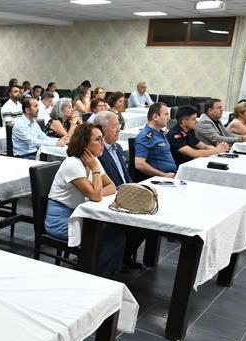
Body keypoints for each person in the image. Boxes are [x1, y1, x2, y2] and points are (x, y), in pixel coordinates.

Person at [46, 123, 123, 274]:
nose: (103, 143)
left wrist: (96, 190)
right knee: (106, 237)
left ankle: (106, 272)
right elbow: (95, 195)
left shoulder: (93, 160)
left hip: (80, 213)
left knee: (117, 233)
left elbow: (112, 186)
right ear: (84, 143)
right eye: (98, 140)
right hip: (61, 220)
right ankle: (94, 274)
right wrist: (95, 173)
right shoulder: (73, 164)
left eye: (102, 139)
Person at [94, 112, 146, 271]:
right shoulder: (98, 152)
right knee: (137, 225)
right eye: (114, 127)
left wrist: (134, 190)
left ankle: (124, 256)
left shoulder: (117, 148)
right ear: (101, 130)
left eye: (119, 126)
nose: (119, 130)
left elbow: (126, 176)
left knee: (146, 225)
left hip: (124, 194)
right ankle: (115, 260)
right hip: (111, 200)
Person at [134, 103, 176, 178]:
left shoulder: (159, 132)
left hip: (171, 175)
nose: (169, 118)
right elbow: (139, 164)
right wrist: (164, 175)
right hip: (160, 179)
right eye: (166, 114)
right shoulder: (145, 136)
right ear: (155, 117)